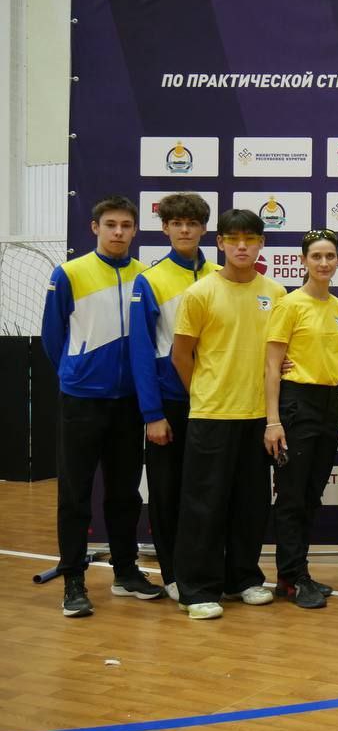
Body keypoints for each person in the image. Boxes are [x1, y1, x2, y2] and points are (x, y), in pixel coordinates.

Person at [42, 195, 163, 617]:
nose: (118, 232)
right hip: (82, 400)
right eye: (110, 224)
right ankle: (73, 580)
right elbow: (53, 337)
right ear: (95, 228)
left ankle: (126, 571)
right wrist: (76, 373)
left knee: (125, 493)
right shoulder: (69, 273)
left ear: (135, 230)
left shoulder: (146, 276)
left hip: (129, 402)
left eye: (126, 225)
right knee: (75, 493)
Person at [170, 209, 285, 620]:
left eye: (250, 239)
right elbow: (181, 355)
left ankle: (243, 578)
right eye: (233, 239)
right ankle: (197, 589)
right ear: (219, 243)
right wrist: (204, 393)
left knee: (250, 504)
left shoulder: (276, 292)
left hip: (257, 416)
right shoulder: (200, 292)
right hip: (212, 415)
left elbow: (279, 355)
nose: (242, 246)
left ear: (261, 244)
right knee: (204, 505)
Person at [127, 192, 219, 602]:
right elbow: (141, 351)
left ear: (204, 229)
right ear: (164, 228)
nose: (184, 230)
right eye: (176, 223)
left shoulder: (221, 275)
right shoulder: (150, 280)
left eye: (192, 223)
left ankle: (205, 569)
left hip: (216, 405)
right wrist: (152, 413)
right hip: (171, 404)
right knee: (167, 493)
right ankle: (173, 574)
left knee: (208, 493)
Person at [264, 229, 338, 609]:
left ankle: (296, 573)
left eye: (330, 256)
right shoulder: (289, 304)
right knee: (292, 495)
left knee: (312, 494)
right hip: (296, 404)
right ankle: (291, 577)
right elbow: (271, 366)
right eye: (316, 256)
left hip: (330, 404)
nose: (324, 263)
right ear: (303, 261)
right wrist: (273, 420)